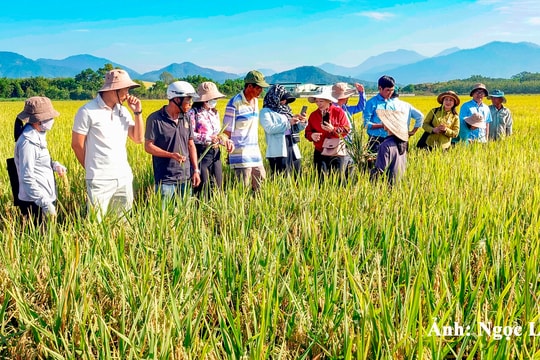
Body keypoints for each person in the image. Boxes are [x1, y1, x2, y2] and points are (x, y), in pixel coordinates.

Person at [72, 69, 144, 221]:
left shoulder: (123, 111)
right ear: (114, 90)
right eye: (126, 90)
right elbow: (77, 145)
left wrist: (138, 113)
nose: (128, 94)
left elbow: (138, 139)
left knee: (122, 223)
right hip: (99, 180)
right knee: (95, 224)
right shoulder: (87, 111)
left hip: (123, 177)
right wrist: (92, 168)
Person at [145, 81, 202, 203]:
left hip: (185, 177)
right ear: (177, 99)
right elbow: (148, 146)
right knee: (164, 218)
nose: (191, 104)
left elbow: (191, 144)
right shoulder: (155, 119)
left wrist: (196, 170)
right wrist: (171, 155)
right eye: (188, 100)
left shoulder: (186, 117)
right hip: (165, 179)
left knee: (185, 215)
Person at [15, 96, 67, 223]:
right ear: (38, 121)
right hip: (35, 202)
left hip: (43, 197)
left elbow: (39, 162)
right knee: (41, 237)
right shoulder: (28, 142)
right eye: (49, 118)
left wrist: (55, 165)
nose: (52, 120)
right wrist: (45, 204)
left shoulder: (38, 135)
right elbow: (26, 177)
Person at [223, 70, 268, 191]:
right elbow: (226, 132)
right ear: (249, 86)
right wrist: (228, 149)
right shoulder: (234, 103)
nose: (261, 91)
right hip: (240, 154)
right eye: (259, 88)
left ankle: (258, 209)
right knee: (243, 188)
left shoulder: (256, 101)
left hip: (255, 153)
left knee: (261, 182)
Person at [188, 81, 234, 198]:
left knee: (218, 185)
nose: (214, 101)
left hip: (216, 153)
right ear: (203, 99)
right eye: (212, 98)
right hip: (201, 152)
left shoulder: (214, 113)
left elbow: (218, 134)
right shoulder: (193, 113)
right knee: (203, 186)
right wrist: (208, 138)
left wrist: (226, 141)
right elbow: (190, 134)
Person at [260, 84, 306, 176]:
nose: (285, 102)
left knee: (296, 173)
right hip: (278, 148)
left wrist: (302, 122)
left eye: (286, 99)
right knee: (282, 175)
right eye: (283, 98)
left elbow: (295, 129)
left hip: (291, 143)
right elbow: (269, 128)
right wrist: (289, 123)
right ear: (275, 97)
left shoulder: (286, 110)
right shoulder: (265, 111)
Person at [304, 88, 350, 179]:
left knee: (338, 179)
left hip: (337, 151)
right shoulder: (313, 115)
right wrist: (312, 136)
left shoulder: (339, 112)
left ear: (329, 101)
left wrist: (333, 129)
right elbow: (307, 132)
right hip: (320, 151)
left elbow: (346, 130)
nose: (318, 104)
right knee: (321, 179)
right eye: (316, 101)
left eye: (321, 101)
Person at [370, 109, 409, 186]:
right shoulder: (403, 142)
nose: (382, 122)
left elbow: (379, 171)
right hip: (400, 183)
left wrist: (366, 168)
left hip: (388, 185)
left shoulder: (385, 145)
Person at [363, 75, 398, 155]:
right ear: (380, 88)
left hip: (390, 139)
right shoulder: (371, 103)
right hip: (375, 141)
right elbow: (366, 124)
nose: (390, 93)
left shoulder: (391, 104)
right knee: (374, 165)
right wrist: (382, 125)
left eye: (392, 90)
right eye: (387, 90)